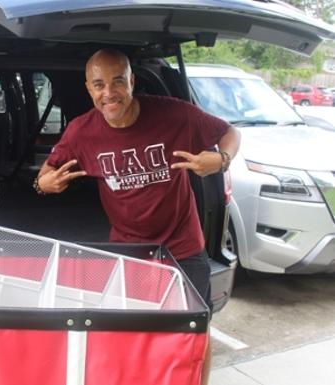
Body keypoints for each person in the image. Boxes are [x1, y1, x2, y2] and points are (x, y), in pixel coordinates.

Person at [34, 49, 241, 385]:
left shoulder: (175, 115)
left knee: (195, 330)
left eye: (118, 81)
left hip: (183, 245)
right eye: (99, 84)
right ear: (89, 89)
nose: (109, 92)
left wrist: (222, 160)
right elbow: (46, 174)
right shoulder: (81, 131)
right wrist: (46, 184)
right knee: (135, 331)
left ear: (132, 81)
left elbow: (229, 133)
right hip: (130, 249)